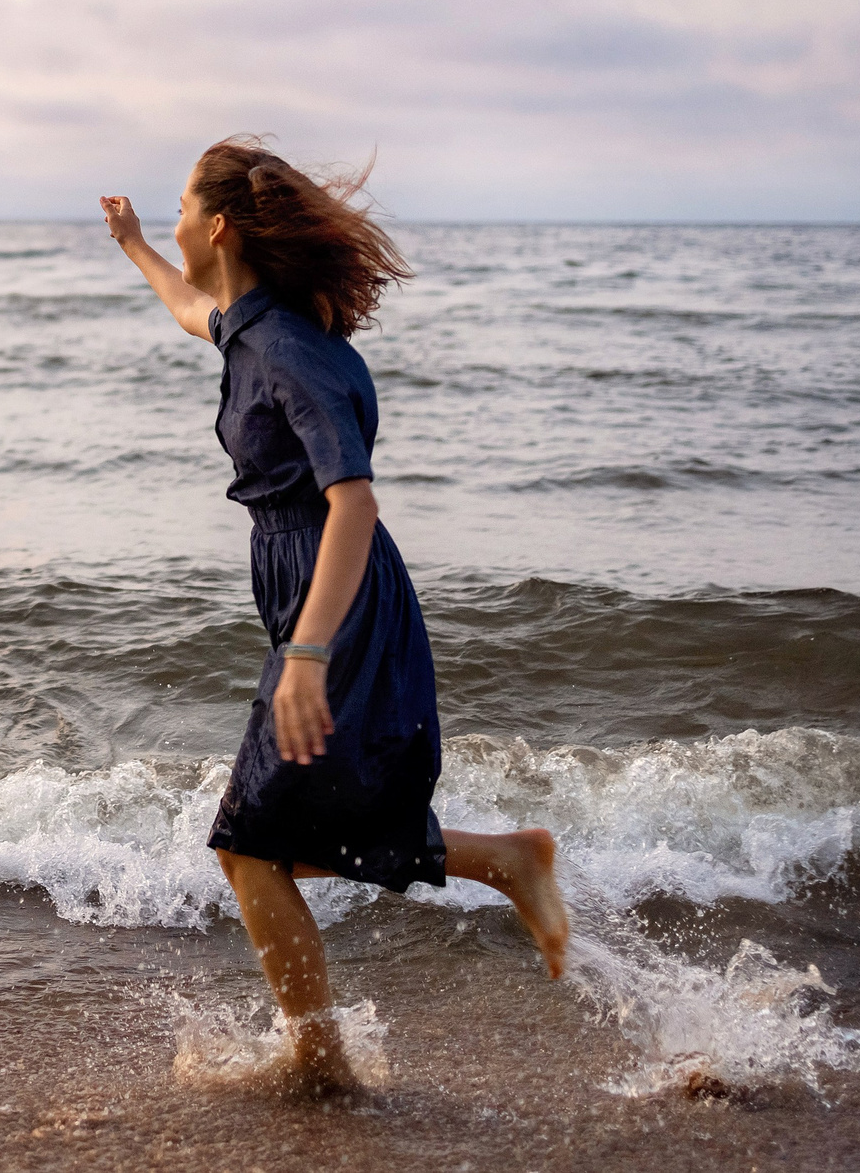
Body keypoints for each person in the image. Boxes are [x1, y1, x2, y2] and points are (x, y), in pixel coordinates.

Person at [102, 136, 569, 1093]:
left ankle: (320, 1062)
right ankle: (505, 862)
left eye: (182, 209)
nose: (179, 222)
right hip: (320, 599)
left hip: (338, 600)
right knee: (287, 838)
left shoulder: (284, 351)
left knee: (246, 845)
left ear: (220, 224)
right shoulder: (256, 325)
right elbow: (193, 311)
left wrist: (309, 651)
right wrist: (137, 248)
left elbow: (354, 500)